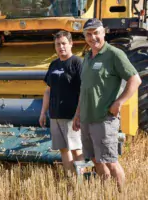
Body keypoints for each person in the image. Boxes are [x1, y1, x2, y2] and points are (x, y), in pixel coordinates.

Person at [72, 18, 142, 190]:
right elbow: (84, 88)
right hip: (87, 118)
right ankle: (107, 191)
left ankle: (121, 193)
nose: (93, 37)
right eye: (89, 34)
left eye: (96, 32)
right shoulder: (88, 57)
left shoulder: (114, 54)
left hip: (104, 119)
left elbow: (135, 79)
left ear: (104, 32)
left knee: (110, 160)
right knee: (96, 159)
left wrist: (119, 102)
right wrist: (78, 114)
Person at [40, 30, 84, 176]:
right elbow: (48, 91)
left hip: (72, 115)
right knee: (63, 150)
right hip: (55, 115)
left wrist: (78, 114)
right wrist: (43, 112)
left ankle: (81, 180)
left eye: (64, 43)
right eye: (58, 44)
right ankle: (70, 179)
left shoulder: (77, 63)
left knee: (76, 149)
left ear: (71, 44)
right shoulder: (53, 64)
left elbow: (84, 91)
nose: (61, 47)